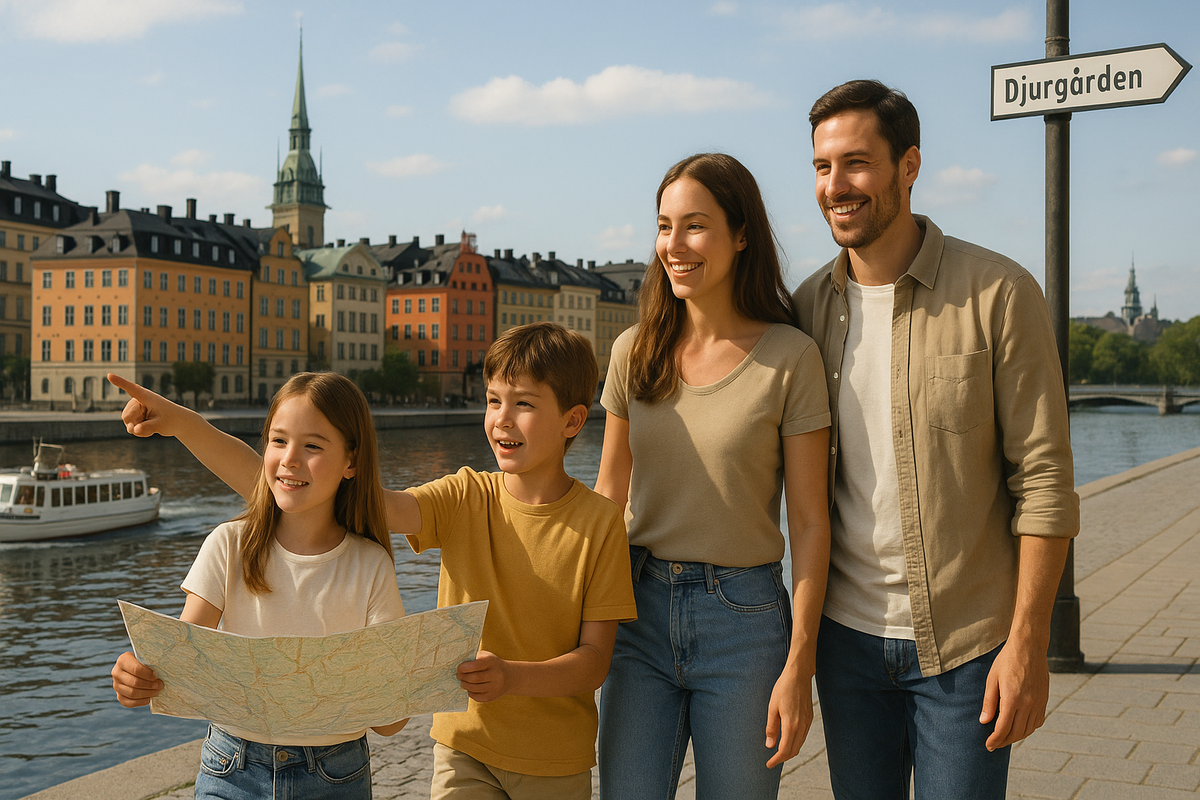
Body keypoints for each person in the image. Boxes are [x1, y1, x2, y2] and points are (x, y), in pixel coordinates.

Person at [108, 321, 637, 800]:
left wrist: (513, 677)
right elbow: (292, 485)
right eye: (493, 400)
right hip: (464, 744)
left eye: (522, 403)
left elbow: (595, 661)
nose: (501, 418)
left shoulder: (601, 523)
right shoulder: (464, 497)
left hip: (554, 756)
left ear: (572, 420)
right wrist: (185, 425)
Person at [792, 79, 1080, 799]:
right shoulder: (803, 312)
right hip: (846, 645)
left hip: (968, 646)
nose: (836, 186)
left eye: (856, 163)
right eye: (823, 167)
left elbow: (1044, 480)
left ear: (909, 167)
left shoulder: (999, 293)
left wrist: (1029, 645)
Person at [595, 152, 832, 799]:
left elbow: (811, 522)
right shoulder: (632, 352)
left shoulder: (791, 356)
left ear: (741, 233)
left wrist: (799, 664)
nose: (674, 244)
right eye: (664, 226)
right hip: (635, 613)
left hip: (745, 623)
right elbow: (607, 499)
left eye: (694, 226)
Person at [109, 371, 408, 800]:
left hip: (335, 775)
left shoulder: (371, 565)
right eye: (278, 440)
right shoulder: (227, 545)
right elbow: (177, 662)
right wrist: (135, 675)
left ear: (352, 462)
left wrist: (407, 680)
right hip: (230, 768)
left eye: (313, 446)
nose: (289, 459)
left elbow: (390, 723)